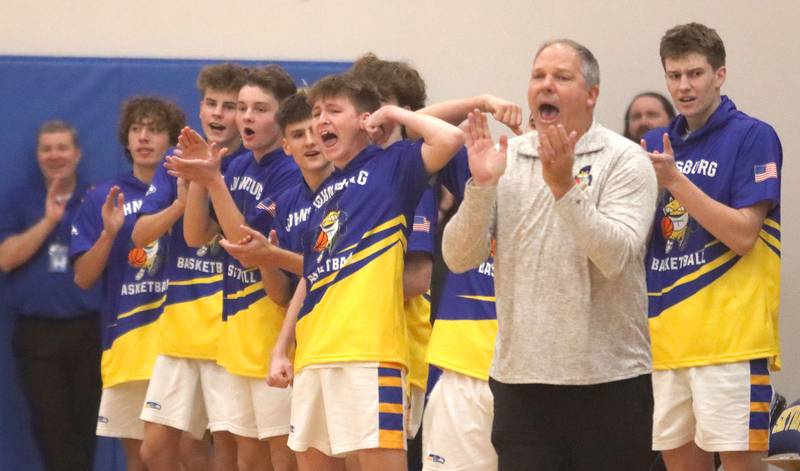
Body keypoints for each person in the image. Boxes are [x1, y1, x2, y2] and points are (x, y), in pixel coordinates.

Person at [441, 39, 658, 470]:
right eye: (538, 76)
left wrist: (564, 186)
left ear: (592, 94)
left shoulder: (626, 160)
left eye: (562, 77)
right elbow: (458, 257)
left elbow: (616, 256)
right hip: (521, 385)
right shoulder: (508, 160)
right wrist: (481, 186)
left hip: (610, 382)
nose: (546, 85)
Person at [267, 73, 463, 471]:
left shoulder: (391, 166)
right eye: (317, 112)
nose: (321, 120)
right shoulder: (322, 192)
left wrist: (391, 112)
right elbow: (311, 276)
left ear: (364, 120)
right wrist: (281, 349)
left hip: (369, 355)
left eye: (333, 111)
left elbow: (449, 139)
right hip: (313, 353)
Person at [642, 22, 782, 471]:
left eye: (695, 74)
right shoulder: (654, 144)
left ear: (720, 75)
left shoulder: (753, 136)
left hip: (731, 344)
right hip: (666, 343)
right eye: (674, 75)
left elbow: (743, 235)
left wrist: (676, 182)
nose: (684, 86)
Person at [166, 65, 301, 471]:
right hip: (237, 328)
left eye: (260, 108)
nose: (245, 117)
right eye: (242, 108)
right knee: (247, 457)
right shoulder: (238, 165)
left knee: (282, 455)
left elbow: (245, 244)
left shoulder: (291, 172)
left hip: (273, 325)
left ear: (284, 115)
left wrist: (214, 181)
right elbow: (194, 235)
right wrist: (196, 176)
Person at [133, 63, 248, 471]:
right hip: (180, 326)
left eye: (230, 106)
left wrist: (208, 186)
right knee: (157, 448)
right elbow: (139, 235)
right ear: (199, 109)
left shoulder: (250, 166)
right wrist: (181, 203)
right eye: (211, 104)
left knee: (229, 450)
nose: (218, 114)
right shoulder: (174, 160)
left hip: (229, 328)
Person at [70, 97, 185, 471]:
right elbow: (84, 278)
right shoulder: (105, 197)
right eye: (137, 129)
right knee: (137, 460)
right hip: (126, 342)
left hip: (179, 339)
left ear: (171, 139)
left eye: (154, 129)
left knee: (180, 453)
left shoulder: (190, 188)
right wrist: (108, 234)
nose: (144, 137)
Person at [0, 121, 103, 471]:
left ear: (77, 154)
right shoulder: (18, 200)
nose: (54, 155)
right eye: (47, 149)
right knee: (51, 427)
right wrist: (48, 221)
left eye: (62, 148)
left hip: (88, 330)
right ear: (38, 155)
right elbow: (6, 258)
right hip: (36, 334)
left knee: (85, 429)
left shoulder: (96, 199)